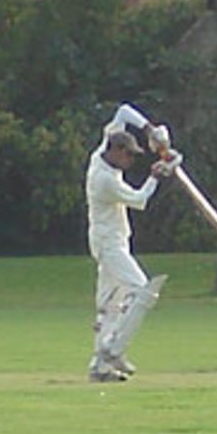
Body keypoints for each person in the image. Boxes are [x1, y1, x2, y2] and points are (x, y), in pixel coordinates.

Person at [85, 102, 182, 383]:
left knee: (110, 306)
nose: (131, 161)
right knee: (142, 290)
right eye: (128, 155)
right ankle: (114, 350)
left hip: (114, 239)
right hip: (108, 244)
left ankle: (100, 367)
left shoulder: (104, 147)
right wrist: (157, 175)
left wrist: (151, 131)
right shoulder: (103, 179)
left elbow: (124, 111)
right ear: (115, 152)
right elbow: (139, 201)